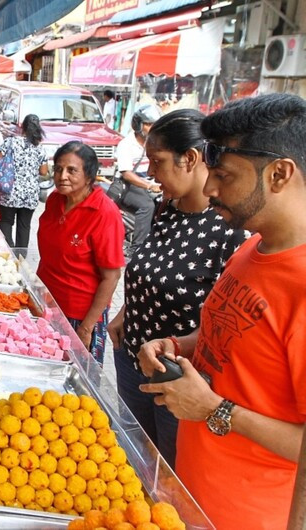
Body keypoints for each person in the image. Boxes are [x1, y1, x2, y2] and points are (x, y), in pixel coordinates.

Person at [137, 94, 306, 529]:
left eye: (224, 175)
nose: (210, 189)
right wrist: (176, 344)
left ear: (280, 174)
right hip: (193, 492)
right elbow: (231, 337)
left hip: (247, 515)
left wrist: (214, 409)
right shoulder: (253, 246)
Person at [106, 109, 247, 467]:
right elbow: (149, 268)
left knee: (167, 474)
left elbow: (225, 319)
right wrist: (126, 310)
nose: (150, 172)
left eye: (157, 161)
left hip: (178, 381)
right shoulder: (166, 207)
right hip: (132, 354)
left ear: (190, 159)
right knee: (130, 457)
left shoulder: (229, 229)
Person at [38, 141, 124, 364]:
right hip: (46, 304)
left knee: (79, 381)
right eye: (58, 169)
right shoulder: (55, 199)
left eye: (71, 170)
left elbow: (112, 276)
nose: (62, 176)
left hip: (80, 315)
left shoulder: (104, 213)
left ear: (89, 176)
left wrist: (86, 329)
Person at [114, 104, 162, 259]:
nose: (152, 128)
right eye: (148, 124)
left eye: (154, 124)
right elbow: (126, 173)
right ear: (138, 125)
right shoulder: (127, 144)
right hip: (127, 186)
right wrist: (149, 185)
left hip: (151, 184)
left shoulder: (154, 143)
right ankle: (137, 248)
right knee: (146, 206)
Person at [0, 114, 48, 248]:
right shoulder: (40, 148)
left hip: (8, 191)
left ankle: (8, 252)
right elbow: (43, 172)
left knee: (6, 222)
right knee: (24, 226)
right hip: (29, 194)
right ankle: (21, 255)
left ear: (22, 127)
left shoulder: (10, 142)